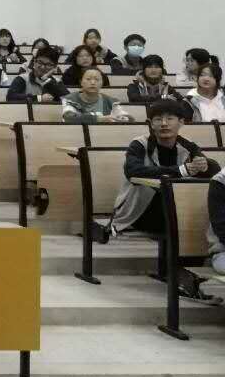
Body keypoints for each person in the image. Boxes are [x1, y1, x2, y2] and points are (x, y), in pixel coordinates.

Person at [104, 99, 221, 250]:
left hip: (175, 209)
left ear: (181, 122)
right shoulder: (139, 144)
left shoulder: (188, 145)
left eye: (170, 119)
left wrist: (205, 165)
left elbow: (211, 170)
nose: (164, 124)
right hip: (141, 212)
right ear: (151, 124)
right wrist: (180, 170)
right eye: (158, 119)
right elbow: (133, 171)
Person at [63, 68, 132, 123]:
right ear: (81, 82)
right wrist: (100, 119)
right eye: (88, 79)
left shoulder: (110, 101)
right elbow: (69, 118)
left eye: (97, 79)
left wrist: (124, 118)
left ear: (102, 83)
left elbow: (125, 117)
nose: (93, 82)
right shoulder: (70, 99)